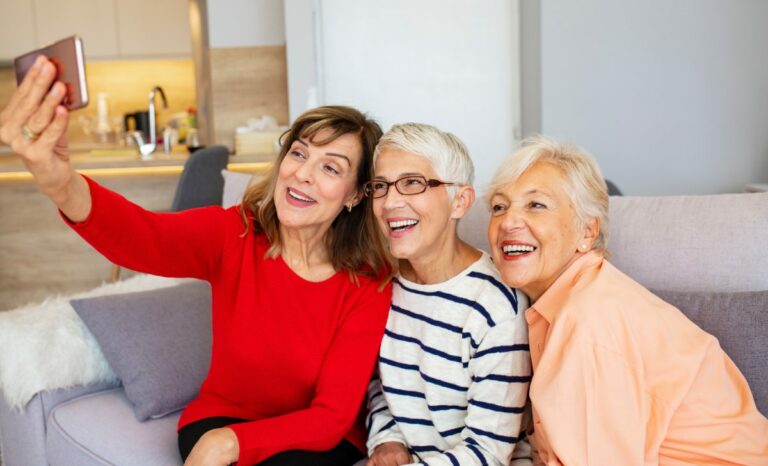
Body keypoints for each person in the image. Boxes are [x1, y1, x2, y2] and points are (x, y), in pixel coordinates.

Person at [0, 55, 393, 466]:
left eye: (330, 167)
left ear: (354, 195)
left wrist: (233, 444)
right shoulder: (236, 233)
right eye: (299, 154)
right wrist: (61, 183)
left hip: (316, 439)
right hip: (222, 418)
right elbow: (140, 237)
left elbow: (330, 417)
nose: (303, 174)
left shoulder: (369, 282)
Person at [485, 135, 768, 464]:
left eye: (536, 205)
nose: (507, 222)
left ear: (586, 233)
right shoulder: (565, 301)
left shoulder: (588, 322)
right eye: (498, 206)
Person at [363, 123, 532, 466]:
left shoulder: (497, 306)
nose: (390, 202)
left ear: (461, 201)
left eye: (413, 183)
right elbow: (380, 386)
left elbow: (488, 453)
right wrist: (387, 441)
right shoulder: (382, 287)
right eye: (381, 186)